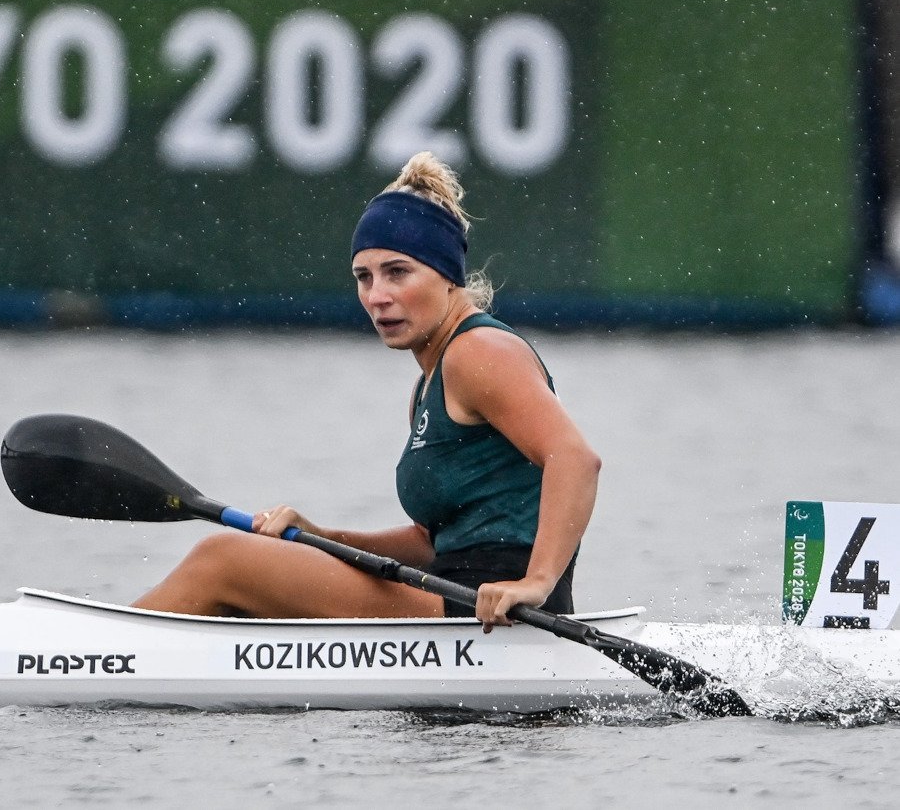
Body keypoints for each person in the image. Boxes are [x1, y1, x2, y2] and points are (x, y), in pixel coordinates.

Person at [132, 152, 600, 628]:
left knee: (223, 558)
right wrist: (322, 537)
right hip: (457, 597)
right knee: (244, 571)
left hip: (499, 613)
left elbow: (575, 459)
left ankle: (97, 652)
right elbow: (429, 543)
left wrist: (536, 583)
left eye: (398, 272)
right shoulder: (429, 384)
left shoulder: (478, 352)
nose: (377, 296)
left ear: (448, 276)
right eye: (364, 277)